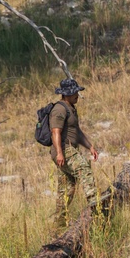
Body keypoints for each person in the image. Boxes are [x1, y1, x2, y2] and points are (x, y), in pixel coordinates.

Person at [50, 77, 99, 228]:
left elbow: (76, 132)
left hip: (69, 149)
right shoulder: (59, 109)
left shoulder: (71, 108)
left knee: (67, 190)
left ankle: (58, 225)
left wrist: (89, 146)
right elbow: (55, 132)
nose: (77, 94)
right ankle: (94, 201)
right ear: (66, 94)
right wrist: (59, 153)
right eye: (74, 92)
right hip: (65, 149)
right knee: (84, 167)